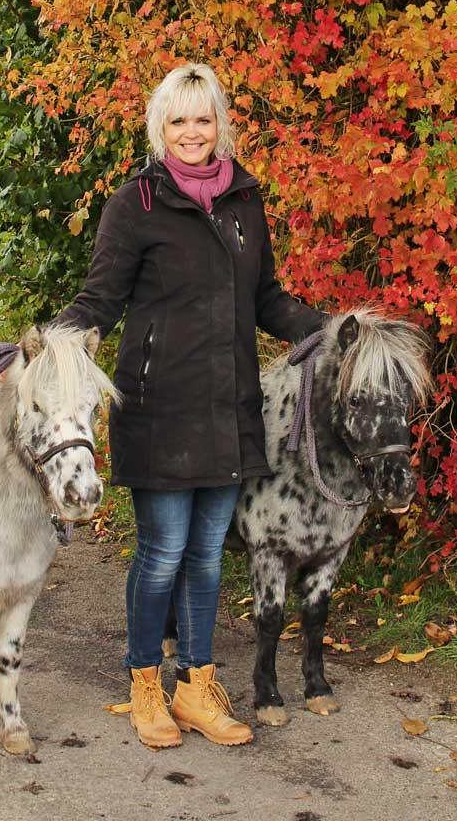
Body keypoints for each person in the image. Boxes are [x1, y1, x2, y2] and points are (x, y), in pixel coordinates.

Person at [55, 63, 327, 749]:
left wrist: (326, 328)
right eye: (177, 120)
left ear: (220, 125)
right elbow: (101, 299)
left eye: (202, 119)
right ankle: (146, 684)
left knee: (208, 555)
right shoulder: (135, 205)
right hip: (158, 407)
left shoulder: (244, 202)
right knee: (163, 551)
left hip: (227, 405)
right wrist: (64, 338)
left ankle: (196, 685)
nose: (190, 132)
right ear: (159, 128)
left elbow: (265, 299)